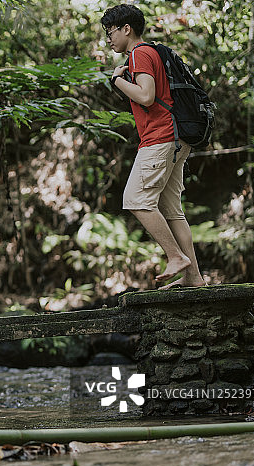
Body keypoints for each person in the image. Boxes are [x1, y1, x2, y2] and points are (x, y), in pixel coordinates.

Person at [102, 4, 206, 289]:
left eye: (110, 32)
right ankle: (194, 278)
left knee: (136, 199)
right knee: (172, 210)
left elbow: (147, 96)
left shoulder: (139, 54)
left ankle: (175, 257)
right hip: (175, 139)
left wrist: (117, 80)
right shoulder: (151, 52)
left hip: (160, 139)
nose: (108, 39)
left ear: (127, 29)